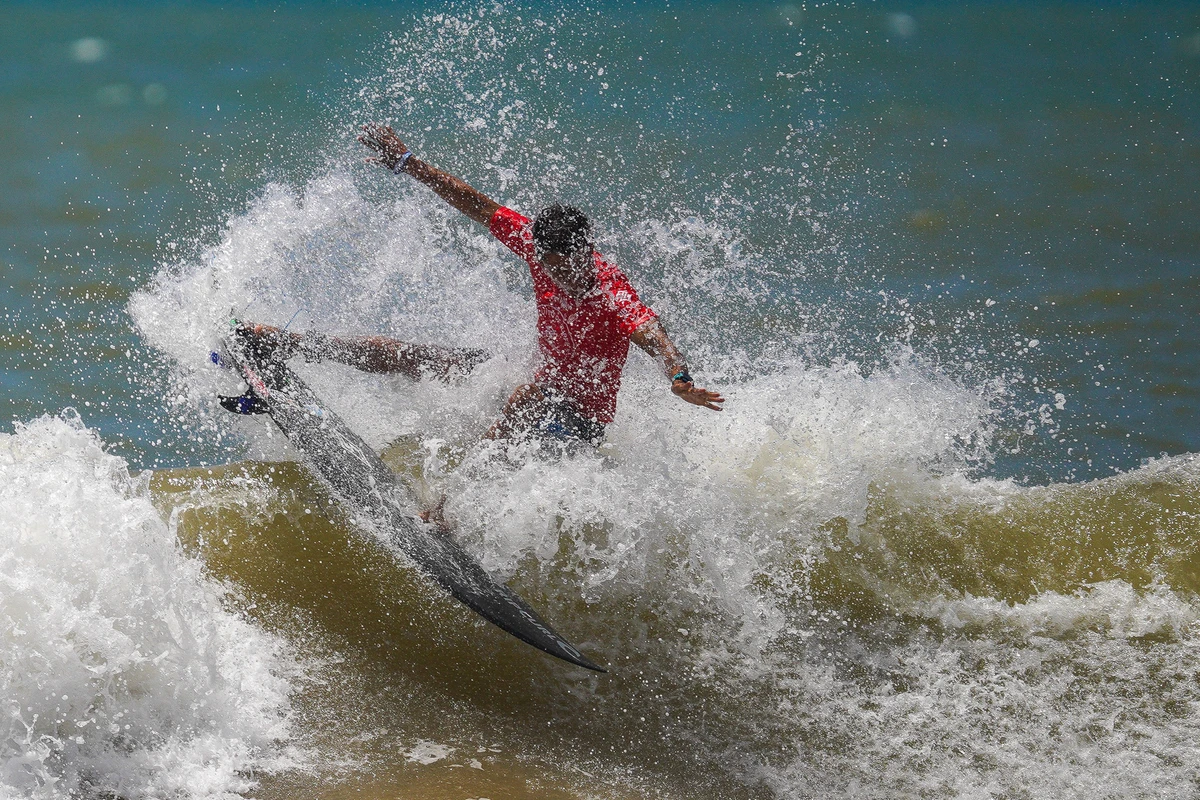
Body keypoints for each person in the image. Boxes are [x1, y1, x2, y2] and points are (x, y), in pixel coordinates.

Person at [242, 123, 723, 448]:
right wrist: (408, 162)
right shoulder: (539, 248)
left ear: (583, 255)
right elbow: (474, 202)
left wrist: (680, 379)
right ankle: (281, 343)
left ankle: (448, 509)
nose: (551, 274)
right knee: (411, 356)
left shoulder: (611, 293)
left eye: (560, 268)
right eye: (546, 265)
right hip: (537, 389)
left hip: (578, 424)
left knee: (523, 398)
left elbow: (654, 337)